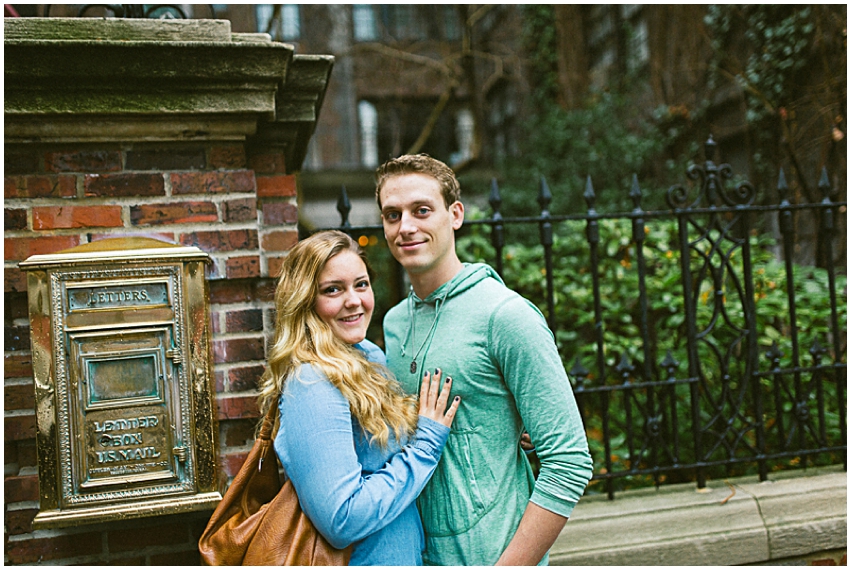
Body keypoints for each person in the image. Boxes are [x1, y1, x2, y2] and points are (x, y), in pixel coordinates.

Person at [375, 155, 593, 566]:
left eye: (422, 210)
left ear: (455, 215)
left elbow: (570, 461)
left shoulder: (506, 316)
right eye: (392, 214)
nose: (405, 227)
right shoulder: (394, 323)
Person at [257, 230, 460, 566]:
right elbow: (343, 519)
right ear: (305, 300)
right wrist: (425, 447)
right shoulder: (311, 383)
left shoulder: (368, 356)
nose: (354, 300)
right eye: (333, 290)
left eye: (361, 284)